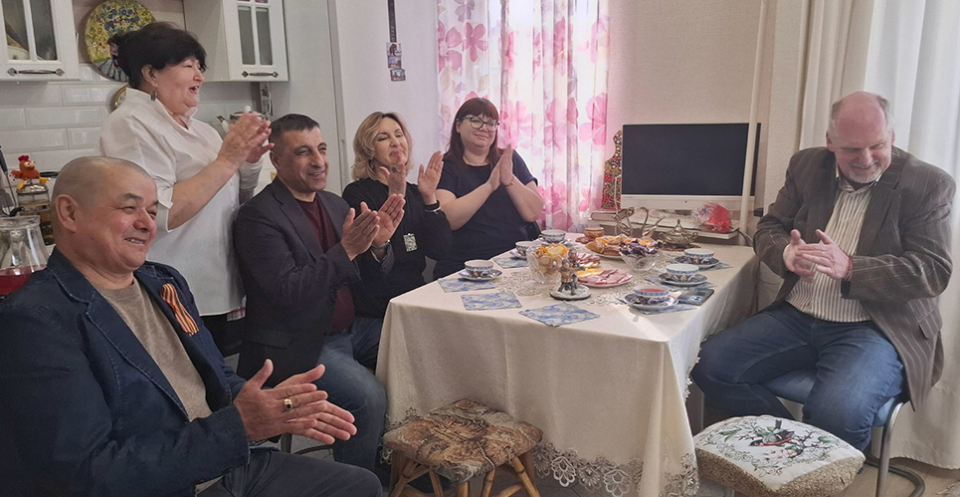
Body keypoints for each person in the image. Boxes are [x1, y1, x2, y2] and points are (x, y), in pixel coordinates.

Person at [0, 156, 381, 497]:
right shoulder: (37, 319)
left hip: (225, 463)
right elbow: (87, 473)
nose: (146, 224)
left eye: (152, 211)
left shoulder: (163, 283)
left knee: (360, 485)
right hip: (173, 483)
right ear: (68, 213)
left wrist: (271, 406)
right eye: (129, 208)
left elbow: (214, 377)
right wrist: (237, 428)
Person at [692, 91, 955, 451]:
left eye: (877, 146)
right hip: (798, 316)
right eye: (852, 149)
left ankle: (812, 464)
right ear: (831, 141)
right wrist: (786, 252)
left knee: (837, 414)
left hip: (876, 326)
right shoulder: (807, 166)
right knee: (708, 364)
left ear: (892, 137)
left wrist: (851, 268)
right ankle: (790, 453)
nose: (866, 159)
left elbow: (933, 270)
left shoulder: (927, 184)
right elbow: (769, 227)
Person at [233, 114, 404, 481]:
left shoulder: (334, 203)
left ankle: (401, 462)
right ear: (276, 160)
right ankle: (358, 483)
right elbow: (289, 292)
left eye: (322, 149)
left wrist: (378, 246)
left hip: (350, 328)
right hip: (299, 340)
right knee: (367, 397)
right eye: (303, 152)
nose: (319, 161)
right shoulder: (257, 217)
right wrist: (347, 249)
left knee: (416, 345)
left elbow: (365, 277)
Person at [100, 22, 272, 353]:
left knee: (219, 377)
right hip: (171, 289)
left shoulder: (202, 130)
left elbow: (235, 199)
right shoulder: (131, 124)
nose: (199, 77)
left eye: (199, 67)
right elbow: (157, 214)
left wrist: (247, 162)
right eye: (188, 66)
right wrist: (227, 160)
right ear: (151, 73)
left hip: (214, 283)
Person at [342, 111, 452, 318]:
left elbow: (441, 250)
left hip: (416, 299)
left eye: (399, 135)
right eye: (383, 138)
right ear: (369, 151)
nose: (395, 142)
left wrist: (430, 198)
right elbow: (373, 270)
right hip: (379, 309)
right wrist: (394, 197)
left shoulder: (416, 192)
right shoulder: (357, 193)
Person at [433, 97, 544, 278]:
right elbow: (447, 220)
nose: (484, 128)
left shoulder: (509, 159)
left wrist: (509, 179)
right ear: (458, 125)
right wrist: (489, 186)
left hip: (514, 258)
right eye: (476, 120)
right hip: (465, 265)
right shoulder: (446, 166)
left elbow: (533, 212)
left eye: (491, 123)